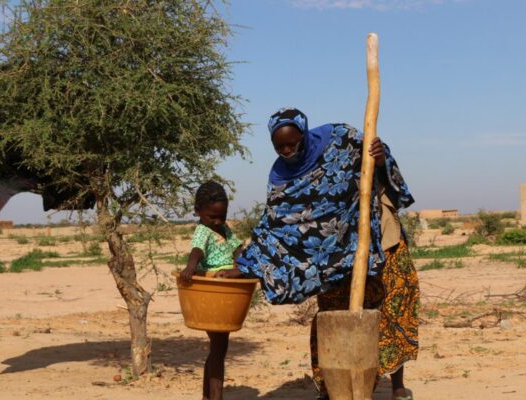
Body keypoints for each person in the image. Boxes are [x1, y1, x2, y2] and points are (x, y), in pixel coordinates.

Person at [234, 108, 420, 400]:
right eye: (279, 146)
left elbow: (384, 171)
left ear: (304, 135)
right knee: (334, 318)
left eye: (292, 144)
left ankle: (397, 386)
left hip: (381, 240)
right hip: (333, 259)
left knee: (392, 307)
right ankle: (333, 387)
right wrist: (248, 263)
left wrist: (381, 159)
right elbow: (277, 226)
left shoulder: (342, 139)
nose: (286, 151)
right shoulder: (281, 175)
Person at [179, 180, 243, 400]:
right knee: (218, 347)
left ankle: (209, 397)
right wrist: (191, 267)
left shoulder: (224, 228)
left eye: (222, 216)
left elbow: (237, 248)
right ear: (198, 211)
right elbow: (197, 250)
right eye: (213, 217)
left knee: (218, 347)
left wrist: (243, 266)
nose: (218, 221)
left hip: (227, 287)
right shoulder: (203, 229)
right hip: (214, 290)